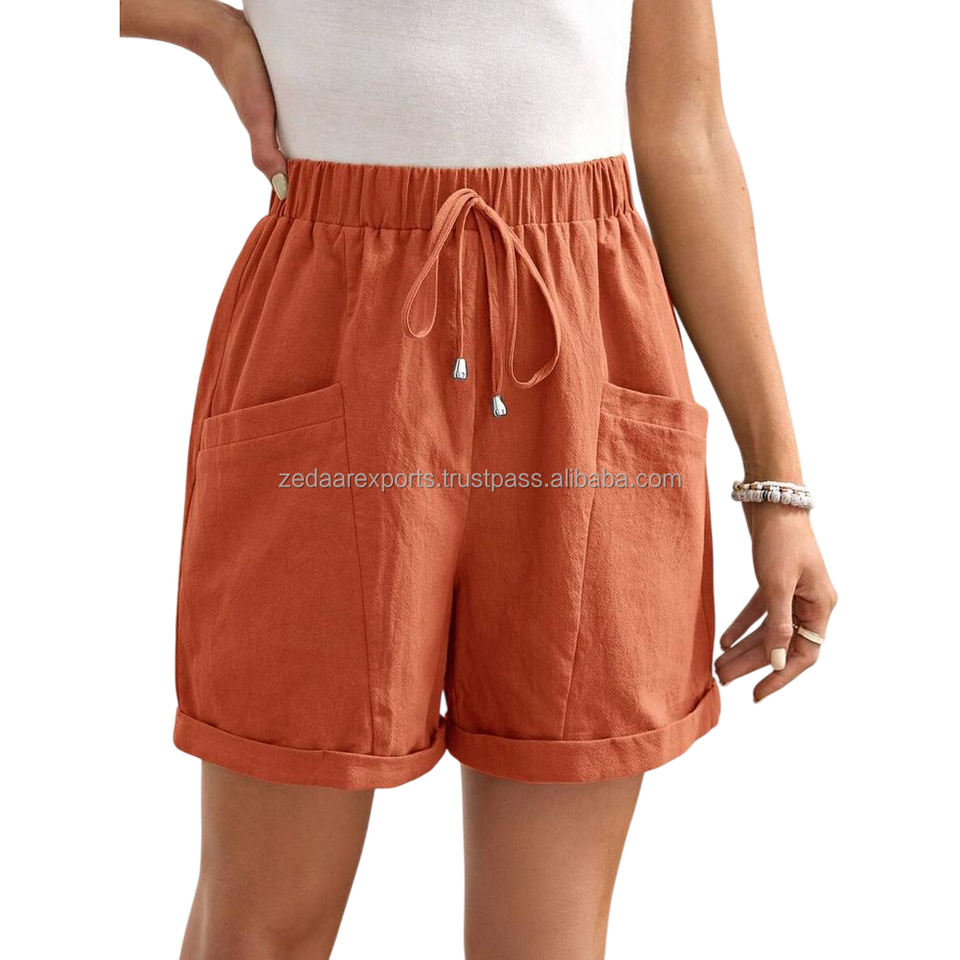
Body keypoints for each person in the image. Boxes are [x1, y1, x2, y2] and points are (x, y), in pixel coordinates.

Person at [120, 2, 837, 958]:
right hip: (332, 337)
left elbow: (687, 133)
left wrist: (779, 489)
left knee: (545, 943)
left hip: (587, 350)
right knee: (260, 936)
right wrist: (211, 31)